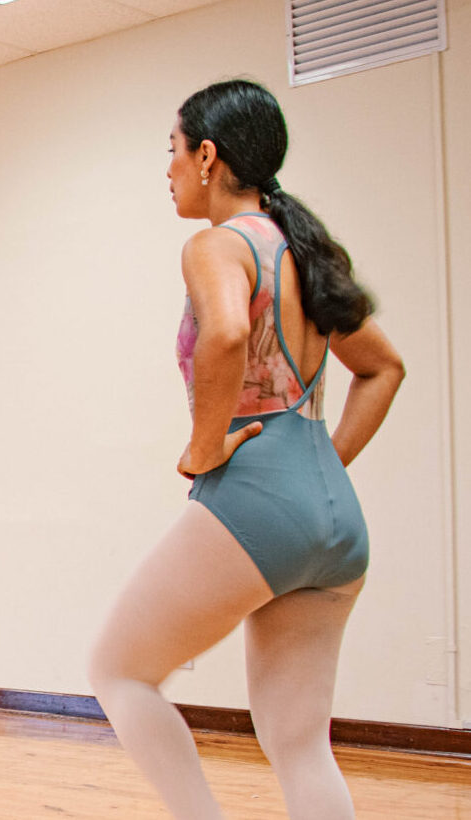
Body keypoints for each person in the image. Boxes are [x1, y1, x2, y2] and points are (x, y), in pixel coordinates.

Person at [88, 80, 405, 819]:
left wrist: (202, 449)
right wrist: (321, 468)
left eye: (171, 151)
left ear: (206, 156)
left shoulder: (217, 245)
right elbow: (383, 368)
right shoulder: (307, 255)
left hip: (258, 497)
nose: (165, 169)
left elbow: (228, 334)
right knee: (300, 743)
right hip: (335, 519)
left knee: (118, 671)